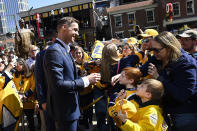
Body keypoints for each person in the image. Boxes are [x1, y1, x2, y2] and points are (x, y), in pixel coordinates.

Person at [43, 17, 101, 131]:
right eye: (75, 29)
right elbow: (58, 84)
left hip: (71, 110)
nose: (77, 33)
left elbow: (70, 78)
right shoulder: (54, 51)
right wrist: (86, 80)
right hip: (64, 112)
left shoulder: (65, 50)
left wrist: (85, 78)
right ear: (64, 27)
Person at [140, 31, 197, 131]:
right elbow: (141, 71)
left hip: (184, 114)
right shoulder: (158, 57)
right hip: (166, 111)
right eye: (152, 50)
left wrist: (159, 78)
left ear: (170, 48)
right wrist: (124, 74)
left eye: (157, 50)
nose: (154, 53)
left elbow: (182, 95)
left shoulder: (186, 64)